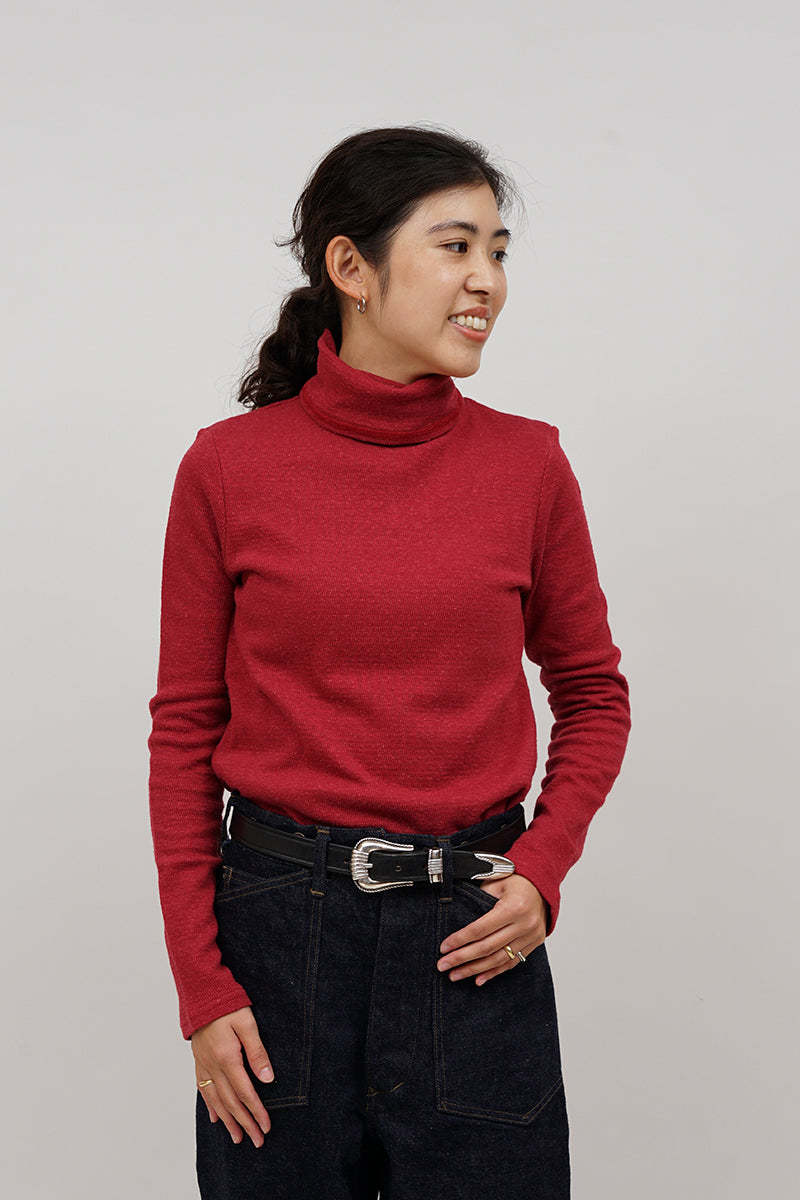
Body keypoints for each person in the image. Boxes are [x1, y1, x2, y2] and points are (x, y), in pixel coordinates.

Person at [147, 124, 632, 1199]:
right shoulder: (227, 469)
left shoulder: (528, 465)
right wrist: (202, 987)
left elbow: (593, 693)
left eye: (498, 251)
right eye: (455, 247)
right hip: (278, 943)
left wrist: (542, 870)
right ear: (351, 268)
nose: (486, 279)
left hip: (472, 935)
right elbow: (184, 730)